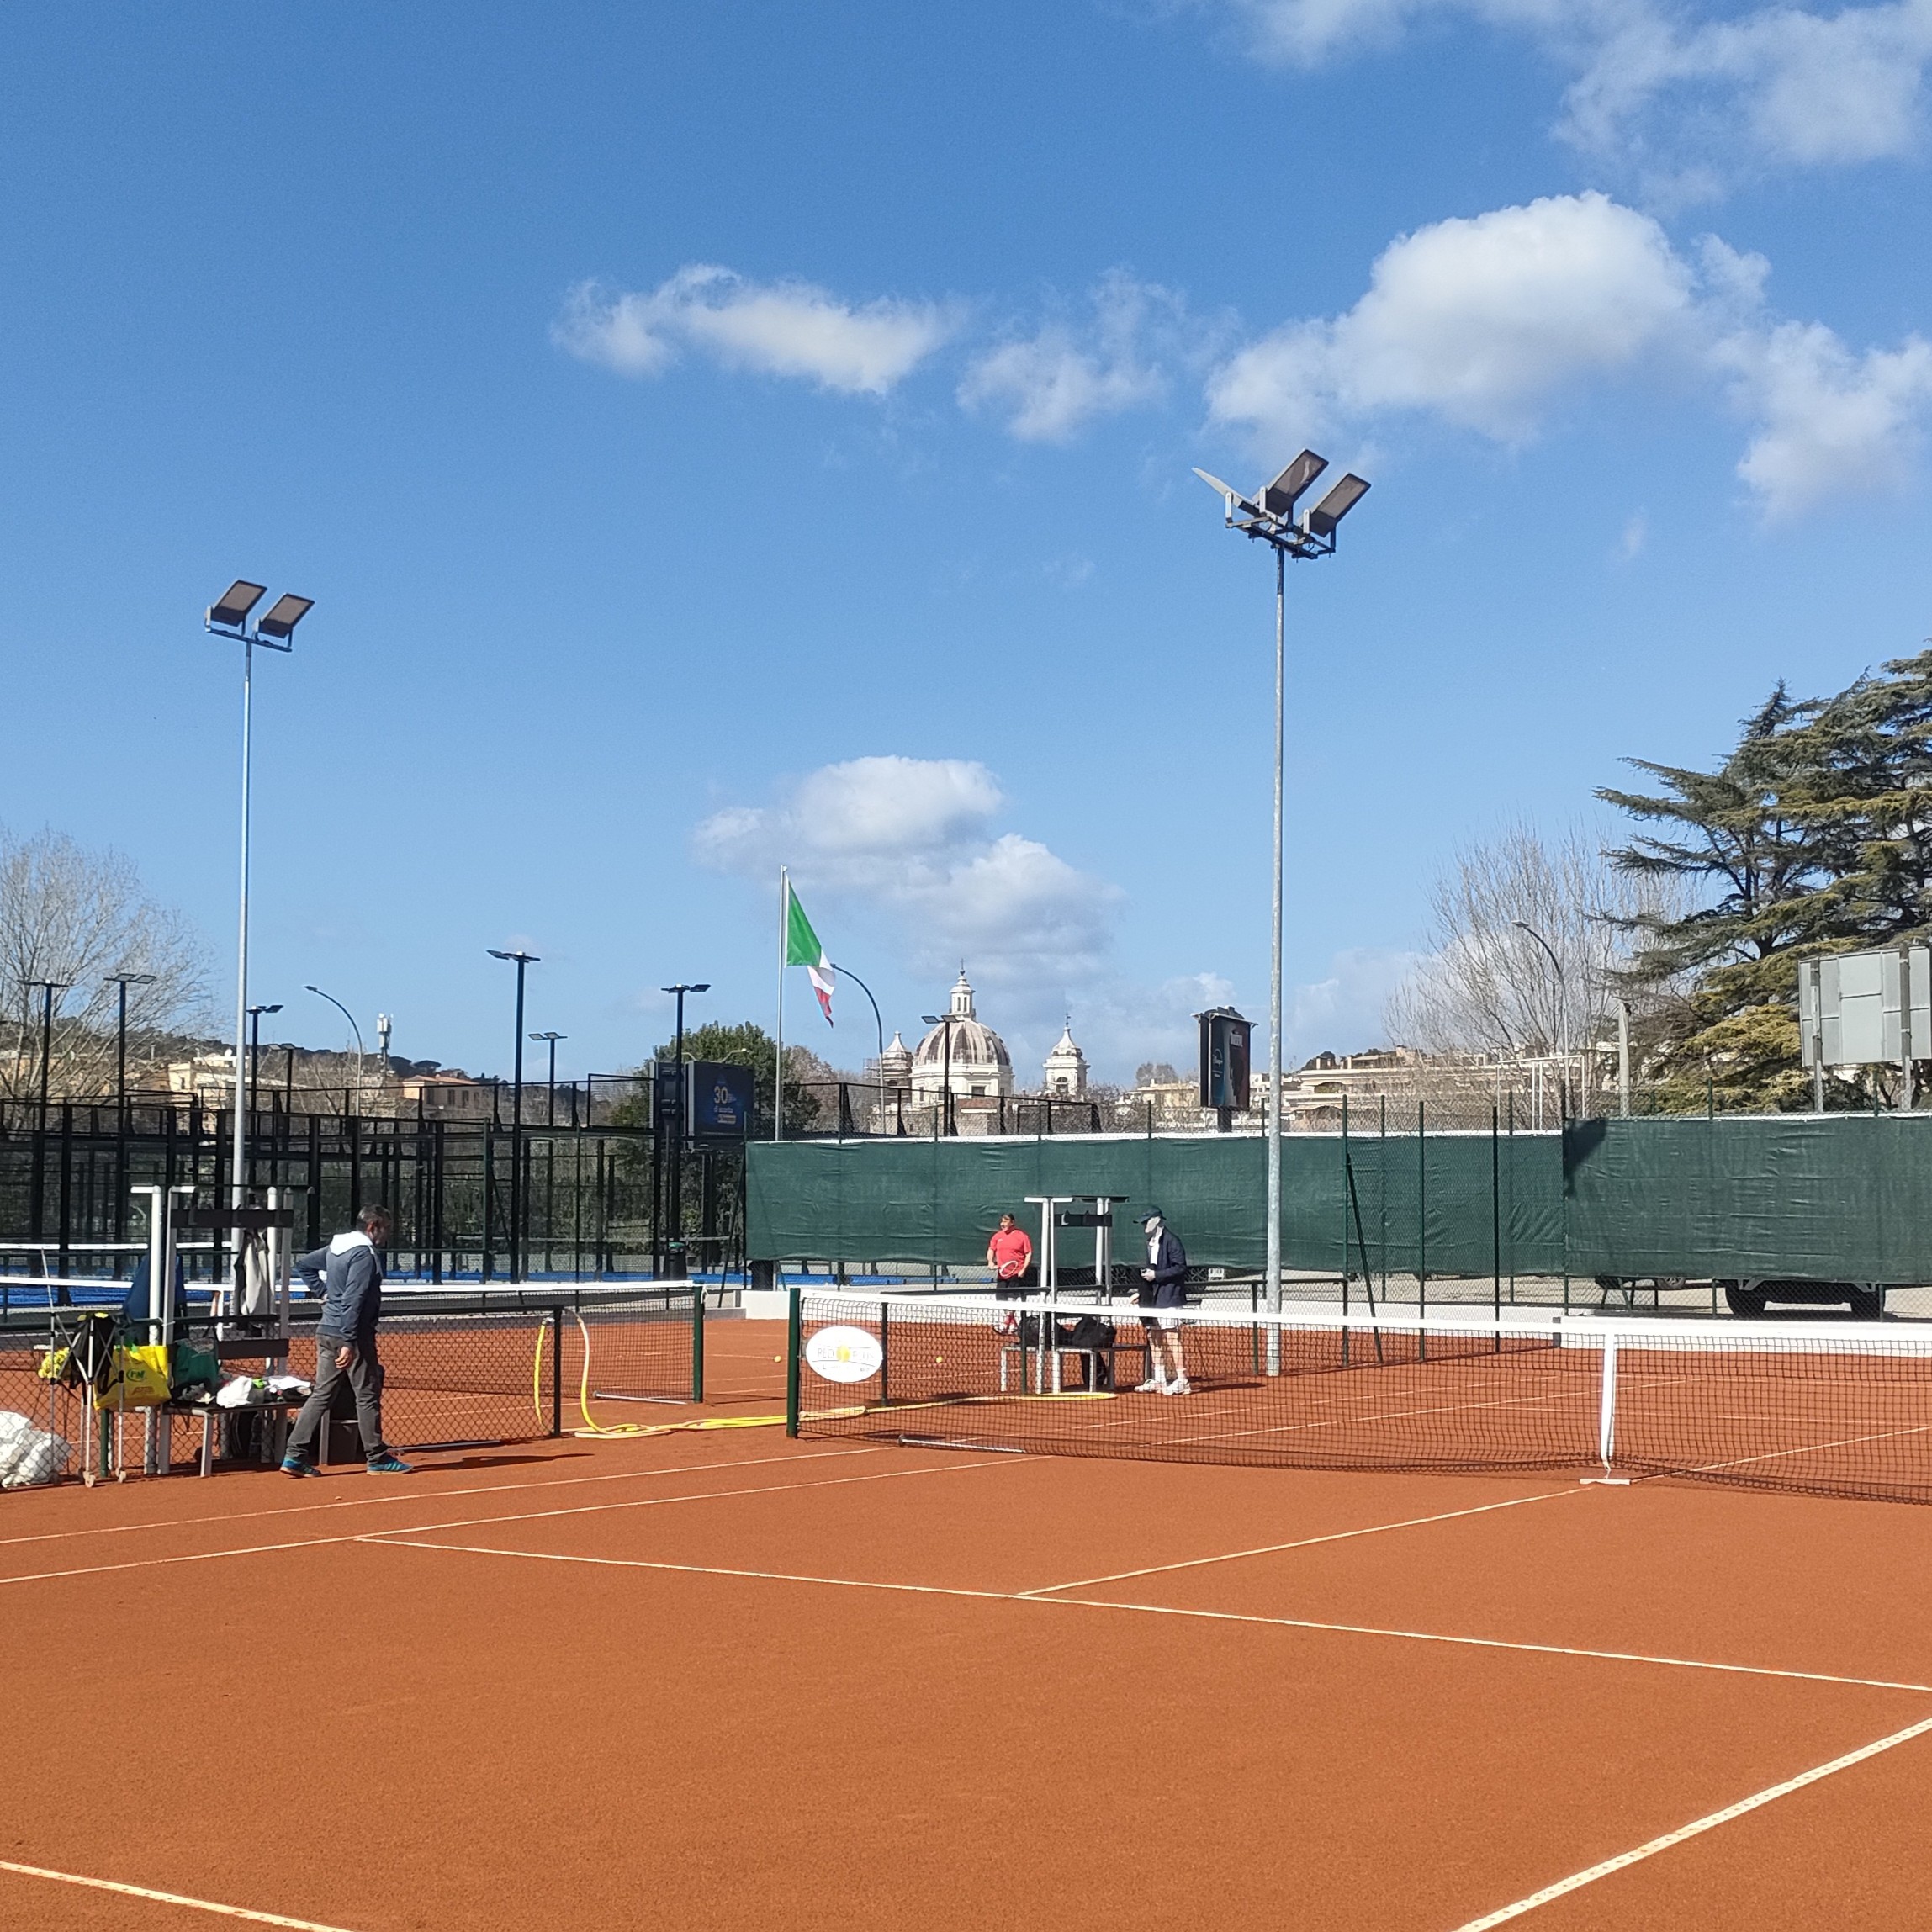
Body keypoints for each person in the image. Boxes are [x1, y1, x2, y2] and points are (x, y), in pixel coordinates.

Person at [282, 1206, 410, 1476]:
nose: (387, 1236)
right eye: (386, 1229)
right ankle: (377, 1457)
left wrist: (324, 1294)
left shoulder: (335, 1248)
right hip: (350, 1334)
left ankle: (293, 1455)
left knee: (322, 1394)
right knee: (366, 1395)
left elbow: (304, 1266)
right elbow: (354, 1298)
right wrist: (349, 1341)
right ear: (373, 1226)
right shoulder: (363, 1254)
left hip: (327, 1329)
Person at [1135, 1207, 1190, 1395]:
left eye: (1146, 1221)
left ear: (1157, 1220)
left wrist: (1157, 1275)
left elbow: (1181, 1267)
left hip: (1170, 1297)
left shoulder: (1172, 1241)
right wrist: (1140, 1292)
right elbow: (1148, 1270)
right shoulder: (1150, 1242)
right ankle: (1159, 1379)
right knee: (1154, 1337)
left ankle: (1182, 1381)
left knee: (1172, 1337)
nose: (1143, 1225)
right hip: (1153, 1298)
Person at [987, 1210, 1033, 1337]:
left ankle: (1005, 1324)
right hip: (1002, 1273)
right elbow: (991, 1249)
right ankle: (1014, 1325)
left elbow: (1028, 1253)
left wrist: (1023, 1269)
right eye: (1002, 1221)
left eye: (1006, 1221)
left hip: (1016, 1272)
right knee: (1001, 1299)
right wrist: (990, 1262)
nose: (1003, 1224)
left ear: (1012, 1223)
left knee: (1012, 1298)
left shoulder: (1022, 1236)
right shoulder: (997, 1236)